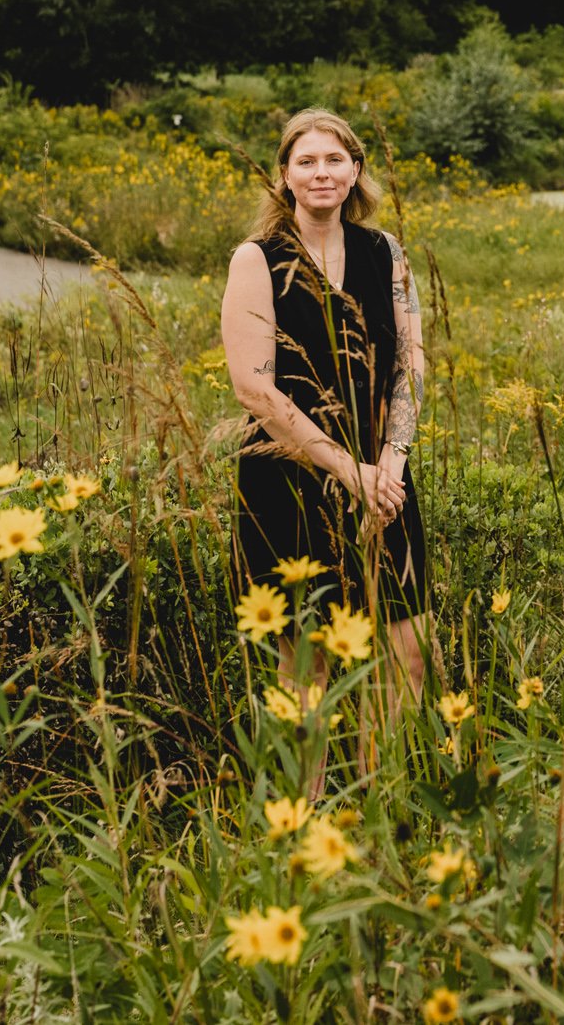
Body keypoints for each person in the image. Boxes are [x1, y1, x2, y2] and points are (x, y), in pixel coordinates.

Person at [221, 107, 430, 706]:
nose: (321, 173)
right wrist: (347, 470)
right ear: (284, 175)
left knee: (407, 652)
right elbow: (255, 389)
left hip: (383, 477)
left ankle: (382, 798)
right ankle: (300, 801)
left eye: (334, 159)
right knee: (305, 667)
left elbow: (410, 364)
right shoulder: (256, 258)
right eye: (305, 161)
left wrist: (392, 459)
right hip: (288, 476)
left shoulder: (387, 252)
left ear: (356, 170)